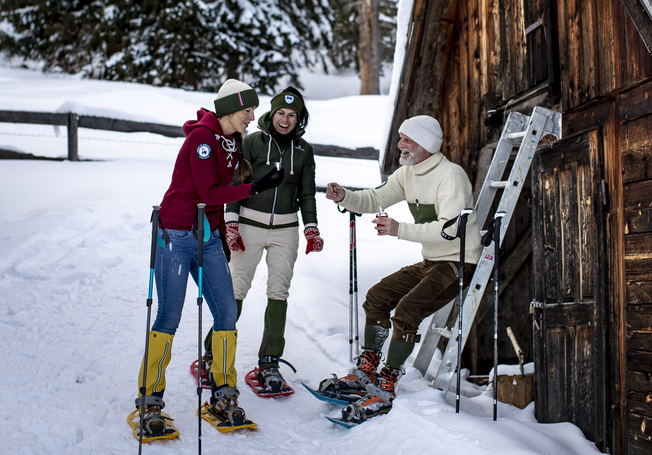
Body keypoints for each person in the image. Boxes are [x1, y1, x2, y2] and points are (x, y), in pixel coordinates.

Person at [136, 79, 284, 438]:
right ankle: (150, 401)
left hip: (208, 236)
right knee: (169, 315)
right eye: (248, 110)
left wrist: (258, 174)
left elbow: (229, 173)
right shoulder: (201, 139)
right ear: (231, 109)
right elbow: (209, 192)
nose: (253, 116)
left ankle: (222, 394)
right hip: (176, 234)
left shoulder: (230, 138)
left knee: (226, 312)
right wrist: (255, 189)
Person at [319, 114, 481, 422]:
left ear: (425, 144)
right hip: (432, 261)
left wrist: (399, 229)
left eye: (407, 139)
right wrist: (345, 197)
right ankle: (367, 370)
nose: (400, 145)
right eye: (401, 138)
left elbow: (450, 230)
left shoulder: (451, 176)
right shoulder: (407, 172)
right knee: (377, 296)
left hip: (459, 262)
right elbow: (376, 197)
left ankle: (388, 381)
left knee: (407, 311)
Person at [203, 86, 323, 394]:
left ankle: (269, 362)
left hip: (286, 230)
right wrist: (231, 223)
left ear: (300, 119)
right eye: (281, 113)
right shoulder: (252, 142)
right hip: (249, 226)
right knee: (236, 289)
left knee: (278, 292)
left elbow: (307, 193)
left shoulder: (304, 150)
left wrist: (311, 226)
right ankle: (211, 354)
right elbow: (235, 181)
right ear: (272, 114)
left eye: (292, 115)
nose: (285, 120)